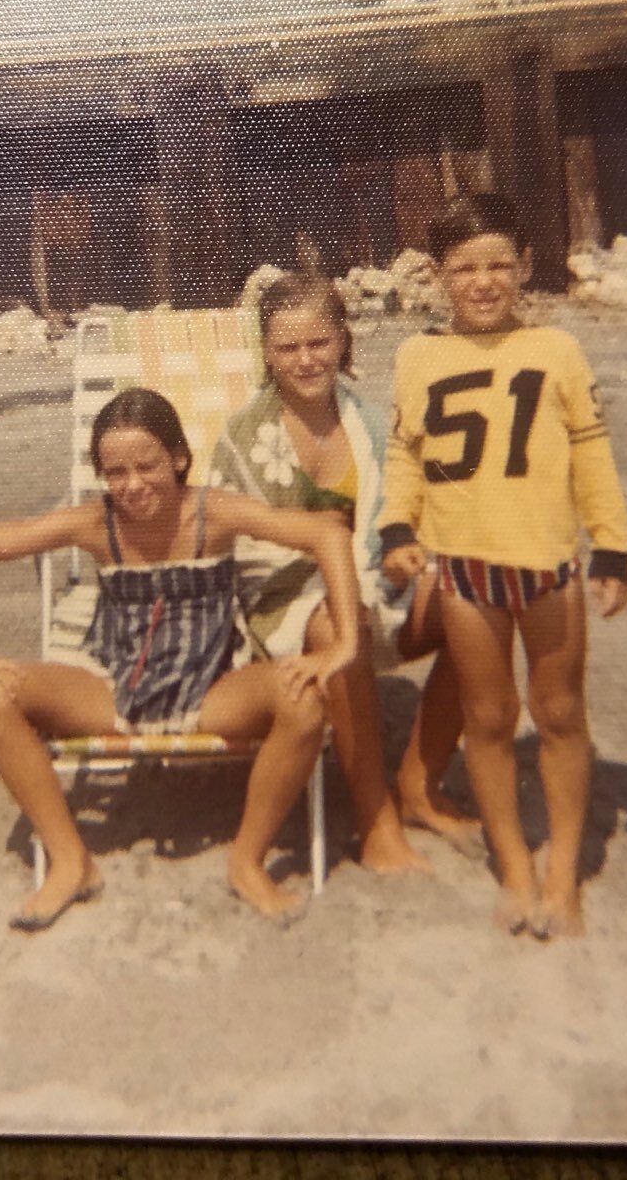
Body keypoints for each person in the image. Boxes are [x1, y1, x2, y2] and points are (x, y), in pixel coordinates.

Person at [0, 387, 362, 931]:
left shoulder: (215, 513)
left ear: (179, 459)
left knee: (305, 702)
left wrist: (345, 642)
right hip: (120, 691)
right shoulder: (98, 524)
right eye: (116, 472)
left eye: (148, 466)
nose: (133, 484)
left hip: (211, 691)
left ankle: (247, 860)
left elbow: (326, 533)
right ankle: (71, 861)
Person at [379, 193, 627, 939]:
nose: (483, 282)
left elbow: (591, 450)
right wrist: (399, 525)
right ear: (436, 275)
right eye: (464, 268)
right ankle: (516, 863)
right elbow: (404, 453)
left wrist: (611, 540)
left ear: (524, 265)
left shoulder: (556, 350)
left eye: (498, 265)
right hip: (465, 571)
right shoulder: (418, 355)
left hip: (547, 565)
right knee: (489, 720)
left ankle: (563, 876)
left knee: (558, 714)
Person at [211, 273, 466, 870]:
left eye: (319, 343)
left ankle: (419, 784)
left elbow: (405, 513)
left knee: (472, 599)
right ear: (267, 355)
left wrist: (404, 555)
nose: (305, 360)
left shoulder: (372, 427)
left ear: (343, 341)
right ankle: (374, 820)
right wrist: (338, 576)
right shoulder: (244, 436)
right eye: (288, 348)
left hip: (374, 583)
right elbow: (240, 546)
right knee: (337, 620)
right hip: (284, 600)